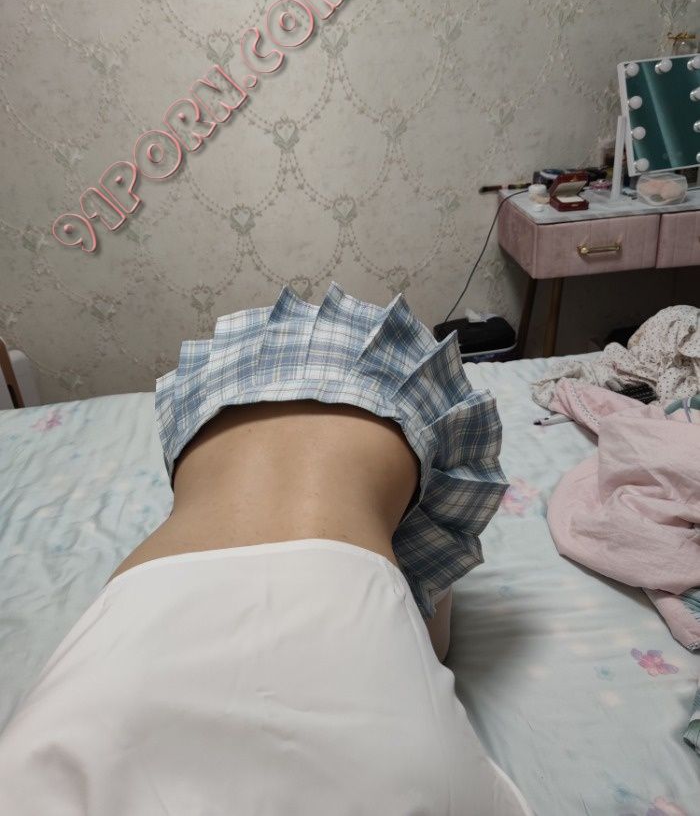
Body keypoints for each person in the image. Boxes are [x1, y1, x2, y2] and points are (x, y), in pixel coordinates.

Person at [0, 281, 534, 815]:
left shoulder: (201, 423)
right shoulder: (428, 406)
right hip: (360, 667)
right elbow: (435, 631)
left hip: (136, 619)